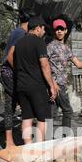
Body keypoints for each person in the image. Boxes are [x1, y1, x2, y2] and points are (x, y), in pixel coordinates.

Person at [47, 18, 82, 130]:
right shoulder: (50, 46)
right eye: (57, 29)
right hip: (53, 85)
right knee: (66, 111)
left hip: (61, 85)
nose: (59, 31)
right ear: (54, 31)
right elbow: (44, 65)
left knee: (52, 113)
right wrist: (52, 83)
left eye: (61, 29)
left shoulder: (67, 49)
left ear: (66, 30)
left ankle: (52, 140)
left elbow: (78, 64)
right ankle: (64, 137)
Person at [14, 16, 57, 144]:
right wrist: (51, 85)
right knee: (43, 118)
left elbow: (15, 64)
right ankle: (39, 147)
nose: (44, 32)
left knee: (26, 117)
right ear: (38, 28)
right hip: (36, 85)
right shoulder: (39, 42)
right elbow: (44, 65)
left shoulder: (19, 43)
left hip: (21, 85)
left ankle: (28, 147)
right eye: (43, 29)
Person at [0, 9, 30, 148]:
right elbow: (11, 55)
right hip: (11, 73)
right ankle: (23, 140)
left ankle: (10, 141)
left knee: (9, 107)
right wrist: (20, 72)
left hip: (6, 72)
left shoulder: (15, 31)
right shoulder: (22, 34)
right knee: (25, 104)